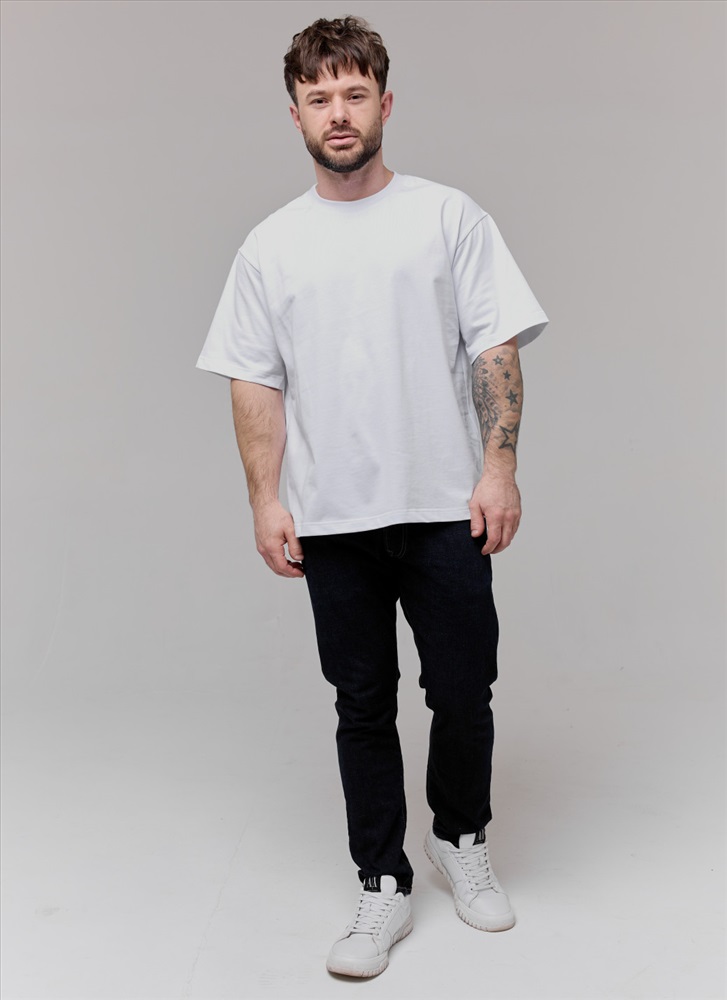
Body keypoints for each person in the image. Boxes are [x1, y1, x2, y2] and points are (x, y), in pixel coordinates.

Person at [196, 15, 549, 979]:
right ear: (296, 114)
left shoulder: (448, 218)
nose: (338, 113)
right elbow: (253, 379)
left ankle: (459, 836)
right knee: (361, 701)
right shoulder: (270, 246)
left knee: (463, 689)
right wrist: (265, 499)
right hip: (332, 516)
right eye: (318, 98)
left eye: (354, 94)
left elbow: (493, 346)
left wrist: (499, 468)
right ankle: (382, 881)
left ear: (384, 102)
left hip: (443, 505)